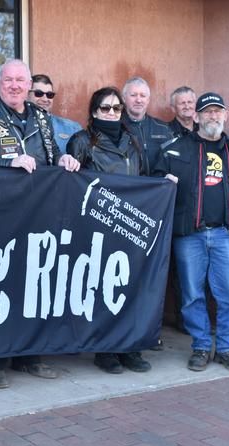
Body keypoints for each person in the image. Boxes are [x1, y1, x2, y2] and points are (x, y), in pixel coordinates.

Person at [0, 59, 80, 388]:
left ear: (29, 85)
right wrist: (7, 162)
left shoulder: (40, 116)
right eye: (8, 80)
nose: (15, 85)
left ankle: (29, 356)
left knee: (33, 284)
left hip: (38, 214)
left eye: (20, 80)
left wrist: (63, 159)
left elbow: (50, 152)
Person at [154, 92, 229, 373]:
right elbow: (154, 186)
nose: (213, 116)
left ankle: (225, 348)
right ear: (196, 117)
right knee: (191, 295)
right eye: (207, 112)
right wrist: (163, 181)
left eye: (218, 111)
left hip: (227, 235)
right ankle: (201, 346)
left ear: (226, 115)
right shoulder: (174, 150)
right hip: (189, 235)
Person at [66, 86, 152, 374]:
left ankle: (130, 347)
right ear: (94, 111)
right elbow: (73, 185)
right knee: (104, 287)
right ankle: (105, 350)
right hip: (97, 225)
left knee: (130, 287)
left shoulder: (133, 140)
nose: (112, 113)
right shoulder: (81, 141)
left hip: (131, 224)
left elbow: (144, 179)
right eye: (106, 108)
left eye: (117, 108)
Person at [121, 76, 173, 170]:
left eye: (143, 96)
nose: (138, 100)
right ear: (124, 98)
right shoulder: (116, 127)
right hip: (129, 184)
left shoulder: (163, 128)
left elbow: (172, 161)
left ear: (148, 100)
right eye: (133, 95)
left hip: (158, 183)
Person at [27, 74, 81, 154]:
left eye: (49, 95)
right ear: (27, 95)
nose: (45, 99)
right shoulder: (17, 127)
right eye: (39, 93)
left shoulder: (72, 128)